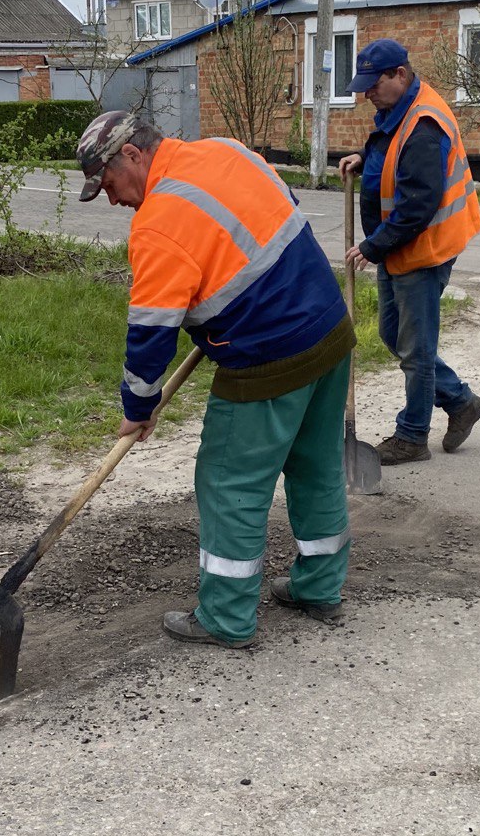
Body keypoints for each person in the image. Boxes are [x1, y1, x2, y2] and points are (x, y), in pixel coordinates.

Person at [76, 110, 356, 647]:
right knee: (315, 466)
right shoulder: (227, 151)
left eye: (109, 185)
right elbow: (277, 223)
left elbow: (151, 333)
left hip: (267, 359)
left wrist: (138, 407)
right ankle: (320, 589)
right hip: (330, 331)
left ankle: (227, 617)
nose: (113, 200)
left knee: (229, 483)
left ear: (132, 155)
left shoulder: (158, 224)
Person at [338, 39, 480, 465]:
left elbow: (417, 204)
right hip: (401, 247)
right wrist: (364, 155)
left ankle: (412, 436)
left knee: (416, 350)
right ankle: (461, 402)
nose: (367, 93)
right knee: (394, 334)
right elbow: (390, 148)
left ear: (399, 75)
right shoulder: (400, 109)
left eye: (373, 84)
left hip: (423, 249)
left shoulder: (424, 124)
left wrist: (373, 245)